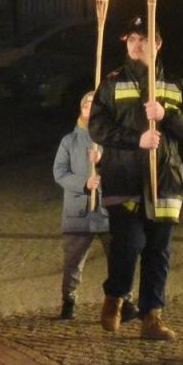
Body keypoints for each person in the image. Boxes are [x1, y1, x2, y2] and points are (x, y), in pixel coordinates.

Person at [88, 16, 183, 342]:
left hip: (165, 180)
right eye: (132, 40)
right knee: (129, 242)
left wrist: (168, 116)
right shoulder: (112, 83)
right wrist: (135, 139)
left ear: (158, 44)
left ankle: (152, 317)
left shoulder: (176, 85)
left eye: (144, 39)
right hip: (123, 177)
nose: (137, 45)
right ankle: (116, 296)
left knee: (158, 250)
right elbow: (97, 126)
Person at [52, 92, 111, 321]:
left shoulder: (109, 140)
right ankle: (69, 301)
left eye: (95, 106)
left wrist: (102, 162)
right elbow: (59, 173)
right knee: (73, 262)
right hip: (78, 213)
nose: (90, 110)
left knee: (118, 261)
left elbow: (123, 169)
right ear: (81, 109)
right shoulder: (69, 141)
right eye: (87, 105)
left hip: (107, 212)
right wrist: (84, 184)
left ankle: (120, 300)